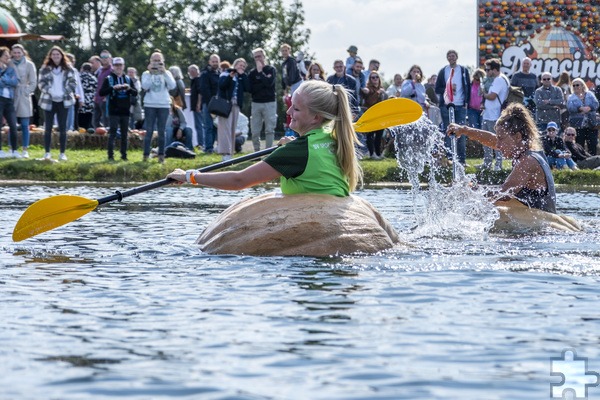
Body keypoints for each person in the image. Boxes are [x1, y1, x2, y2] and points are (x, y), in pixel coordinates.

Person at [167, 80, 362, 198]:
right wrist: (293, 147)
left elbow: (239, 180)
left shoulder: (297, 152)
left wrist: (190, 176)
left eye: (296, 108)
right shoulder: (336, 138)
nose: (289, 111)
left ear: (315, 118)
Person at [447, 102, 556, 213]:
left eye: (501, 138)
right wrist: (464, 130)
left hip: (540, 224)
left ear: (518, 136)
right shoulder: (524, 148)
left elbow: (504, 193)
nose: (497, 145)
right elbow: (491, 139)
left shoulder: (528, 161)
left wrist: (471, 190)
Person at [37, 46, 77, 161]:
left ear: (61, 55)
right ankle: (47, 152)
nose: (55, 56)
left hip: (63, 100)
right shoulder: (44, 69)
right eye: (53, 54)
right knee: (48, 127)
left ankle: (62, 153)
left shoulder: (69, 69)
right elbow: (41, 83)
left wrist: (65, 92)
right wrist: (50, 91)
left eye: (57, 54)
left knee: (63, 128)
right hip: (49, 100)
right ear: (50, 56)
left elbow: (73, 83)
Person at [435, 49, 471, 165]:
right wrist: (448, 88)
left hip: (460, 105)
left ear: (457, 57)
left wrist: (467, 102)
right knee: (448, 131)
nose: (451, 58)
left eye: (453, 55)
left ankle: (461, 160)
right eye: (449, 56)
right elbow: (437, 89)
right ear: (447, 58)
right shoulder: (443, 71)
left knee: (461, 132)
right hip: (446, 105)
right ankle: (450, 158)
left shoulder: (463, 70)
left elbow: (468, 88)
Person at [98, 57, 137, 161]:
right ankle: (110, 156)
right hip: (113, 110)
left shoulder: (128, 79)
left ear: (123, 66)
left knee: (125, 134)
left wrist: (128, 88)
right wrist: (113, 88)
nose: (118, 67)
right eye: (116, 65)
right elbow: (101, 92)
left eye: (120, 65)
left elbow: (135, 92)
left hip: (125, 110)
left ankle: (124, 156)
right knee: (113, 133)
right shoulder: (109, 78)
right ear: (113, 67)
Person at [140, 50, 176, 163]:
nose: (156, 63)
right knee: (149, 130)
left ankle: (161, 156)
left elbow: (172, 86)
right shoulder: (146, 74)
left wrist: (164, 72)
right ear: (150, 62)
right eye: (154, 61)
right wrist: (151, 73)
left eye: (159, 61)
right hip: (150, 104)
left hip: (163, 104)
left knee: (161, 131)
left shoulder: (167, 73)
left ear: (163, 62)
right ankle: (146, 155)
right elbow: (145, 86)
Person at [217, 58, 250, 161]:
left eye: (243, 66)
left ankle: (230, 153)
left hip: (236, 105)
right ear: (235, 65)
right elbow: (221, 86)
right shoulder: (226, 73)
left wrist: (242, 75)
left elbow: (248, 88)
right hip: (226, 104)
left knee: (232, 129)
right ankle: (225, 152)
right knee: (225, 128)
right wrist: (230, 77)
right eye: (240, 65)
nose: (241, 67)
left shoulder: (241, 77)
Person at [480, 58, 509, 171]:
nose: (487, 72)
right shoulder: (497, 79)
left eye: (488, 69)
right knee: (485, 139)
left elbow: (492, 96)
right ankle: (487, 163)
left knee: (496, 141)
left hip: (494, 116)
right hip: (488, 114)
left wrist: (484, 94)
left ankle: (498, 164)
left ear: (494, 69)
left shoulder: (499, 80)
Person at [9, 44, 36, 158]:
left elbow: (33, 81)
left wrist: (26, 91)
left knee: (25, 124)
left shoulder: (29, 64)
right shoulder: (8, 63)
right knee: (12, 124)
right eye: (14, 52)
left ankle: (25, 149)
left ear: (23, 52)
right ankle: (12, 148)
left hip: (24, 95)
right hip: (11, 94)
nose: (16, 54)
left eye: (18, 52)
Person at [248, 48, 277, 151]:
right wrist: (263, 81)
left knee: (270, 129)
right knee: (255, 130)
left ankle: (267, 152)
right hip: (256, 103)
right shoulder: (252, 73)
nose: (258, 59)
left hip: (270, 103)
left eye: (259, 56)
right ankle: (256, 152)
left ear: (264, 56)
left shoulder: (271, 69)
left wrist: (260, 74)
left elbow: (269, 84)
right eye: (255, 57)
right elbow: (251, 89)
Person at [566, 78, 599, 156]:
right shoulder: (571, 97)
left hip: (591, 123)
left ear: (582, 85)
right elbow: (570, 108)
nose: (575, 87)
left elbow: (596, 104)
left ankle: (593, 160)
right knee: (579, 143)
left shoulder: (590, 94)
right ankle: (581, 161)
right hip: (577, 124)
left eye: (577, 85)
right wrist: (580, 108)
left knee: (592, 142)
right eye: (573, 85)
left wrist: (589, 108)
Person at [361, 70, 388, 160]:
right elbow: (370, 101)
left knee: (379, 135)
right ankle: (372, 154)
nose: (375, 79)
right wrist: (378, 93)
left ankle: (378, 154)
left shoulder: (381, 88)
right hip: (371, 114)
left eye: (376, 77)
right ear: (370, 79)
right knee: (370, 135)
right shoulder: (369, 89)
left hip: (380, 115)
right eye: (373, 77)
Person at [199, 54, 221, 154]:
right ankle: (208, 148)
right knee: (208, 127)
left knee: (216, 127)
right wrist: (211, 107)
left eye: (217, 61)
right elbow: (205, 90)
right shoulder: (205, 74)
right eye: (213, 62)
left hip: (218, 104)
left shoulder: (220, 73)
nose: (215, 63)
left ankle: (216, 147)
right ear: (209, 62)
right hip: (208, 104)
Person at [0, 46, 19, 159]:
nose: (8, 57)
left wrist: (5, 80)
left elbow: (15, 82)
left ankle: (14, 150)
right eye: (6, 55)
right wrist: (8, 81)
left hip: (9, 100)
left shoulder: (10, 69)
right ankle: (0, 150)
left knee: (13, 125)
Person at [92, 49, 113, 128]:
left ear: (110, 58)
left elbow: (113, 85)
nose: (104, 58)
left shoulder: (112, 70)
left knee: (106, 122)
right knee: (95, 121)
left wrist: (107, 96)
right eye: (102, 57)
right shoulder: (100, 70)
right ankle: (98, 139)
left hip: (106, 100)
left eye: (106, 57)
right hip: (98, 99)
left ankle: (107, 139)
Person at [65, 53, 83, 132]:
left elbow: (78, 85)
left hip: (74, 95)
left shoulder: (74, 70)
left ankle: (71, 128)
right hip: (64, 95)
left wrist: (82, 99)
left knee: (72, 114)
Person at [187, 64, 203, 149]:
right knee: (198, 124)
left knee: (199, 124)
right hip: (195, 105)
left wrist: (198, 104)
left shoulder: (197, 80)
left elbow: (200, 92)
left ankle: (201, 143)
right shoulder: (195, 80)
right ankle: (200, 142)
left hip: (197, 106)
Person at [78, 63, 97, 131]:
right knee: (88, 122)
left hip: (81, 102)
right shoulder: (93, 78)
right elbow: (96, 89)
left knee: (80, 123)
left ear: (82, 69)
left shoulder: (79, 77)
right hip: (90, 103)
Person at [467, 68, 485, 133]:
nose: (476, 81)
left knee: (483, 129)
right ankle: (475, 143)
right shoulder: (470, 85)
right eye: (474, 78)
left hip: (483, 110)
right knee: (474, 129)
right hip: (472, 109)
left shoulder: (484, 86)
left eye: (478, 79)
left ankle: (481, 143)